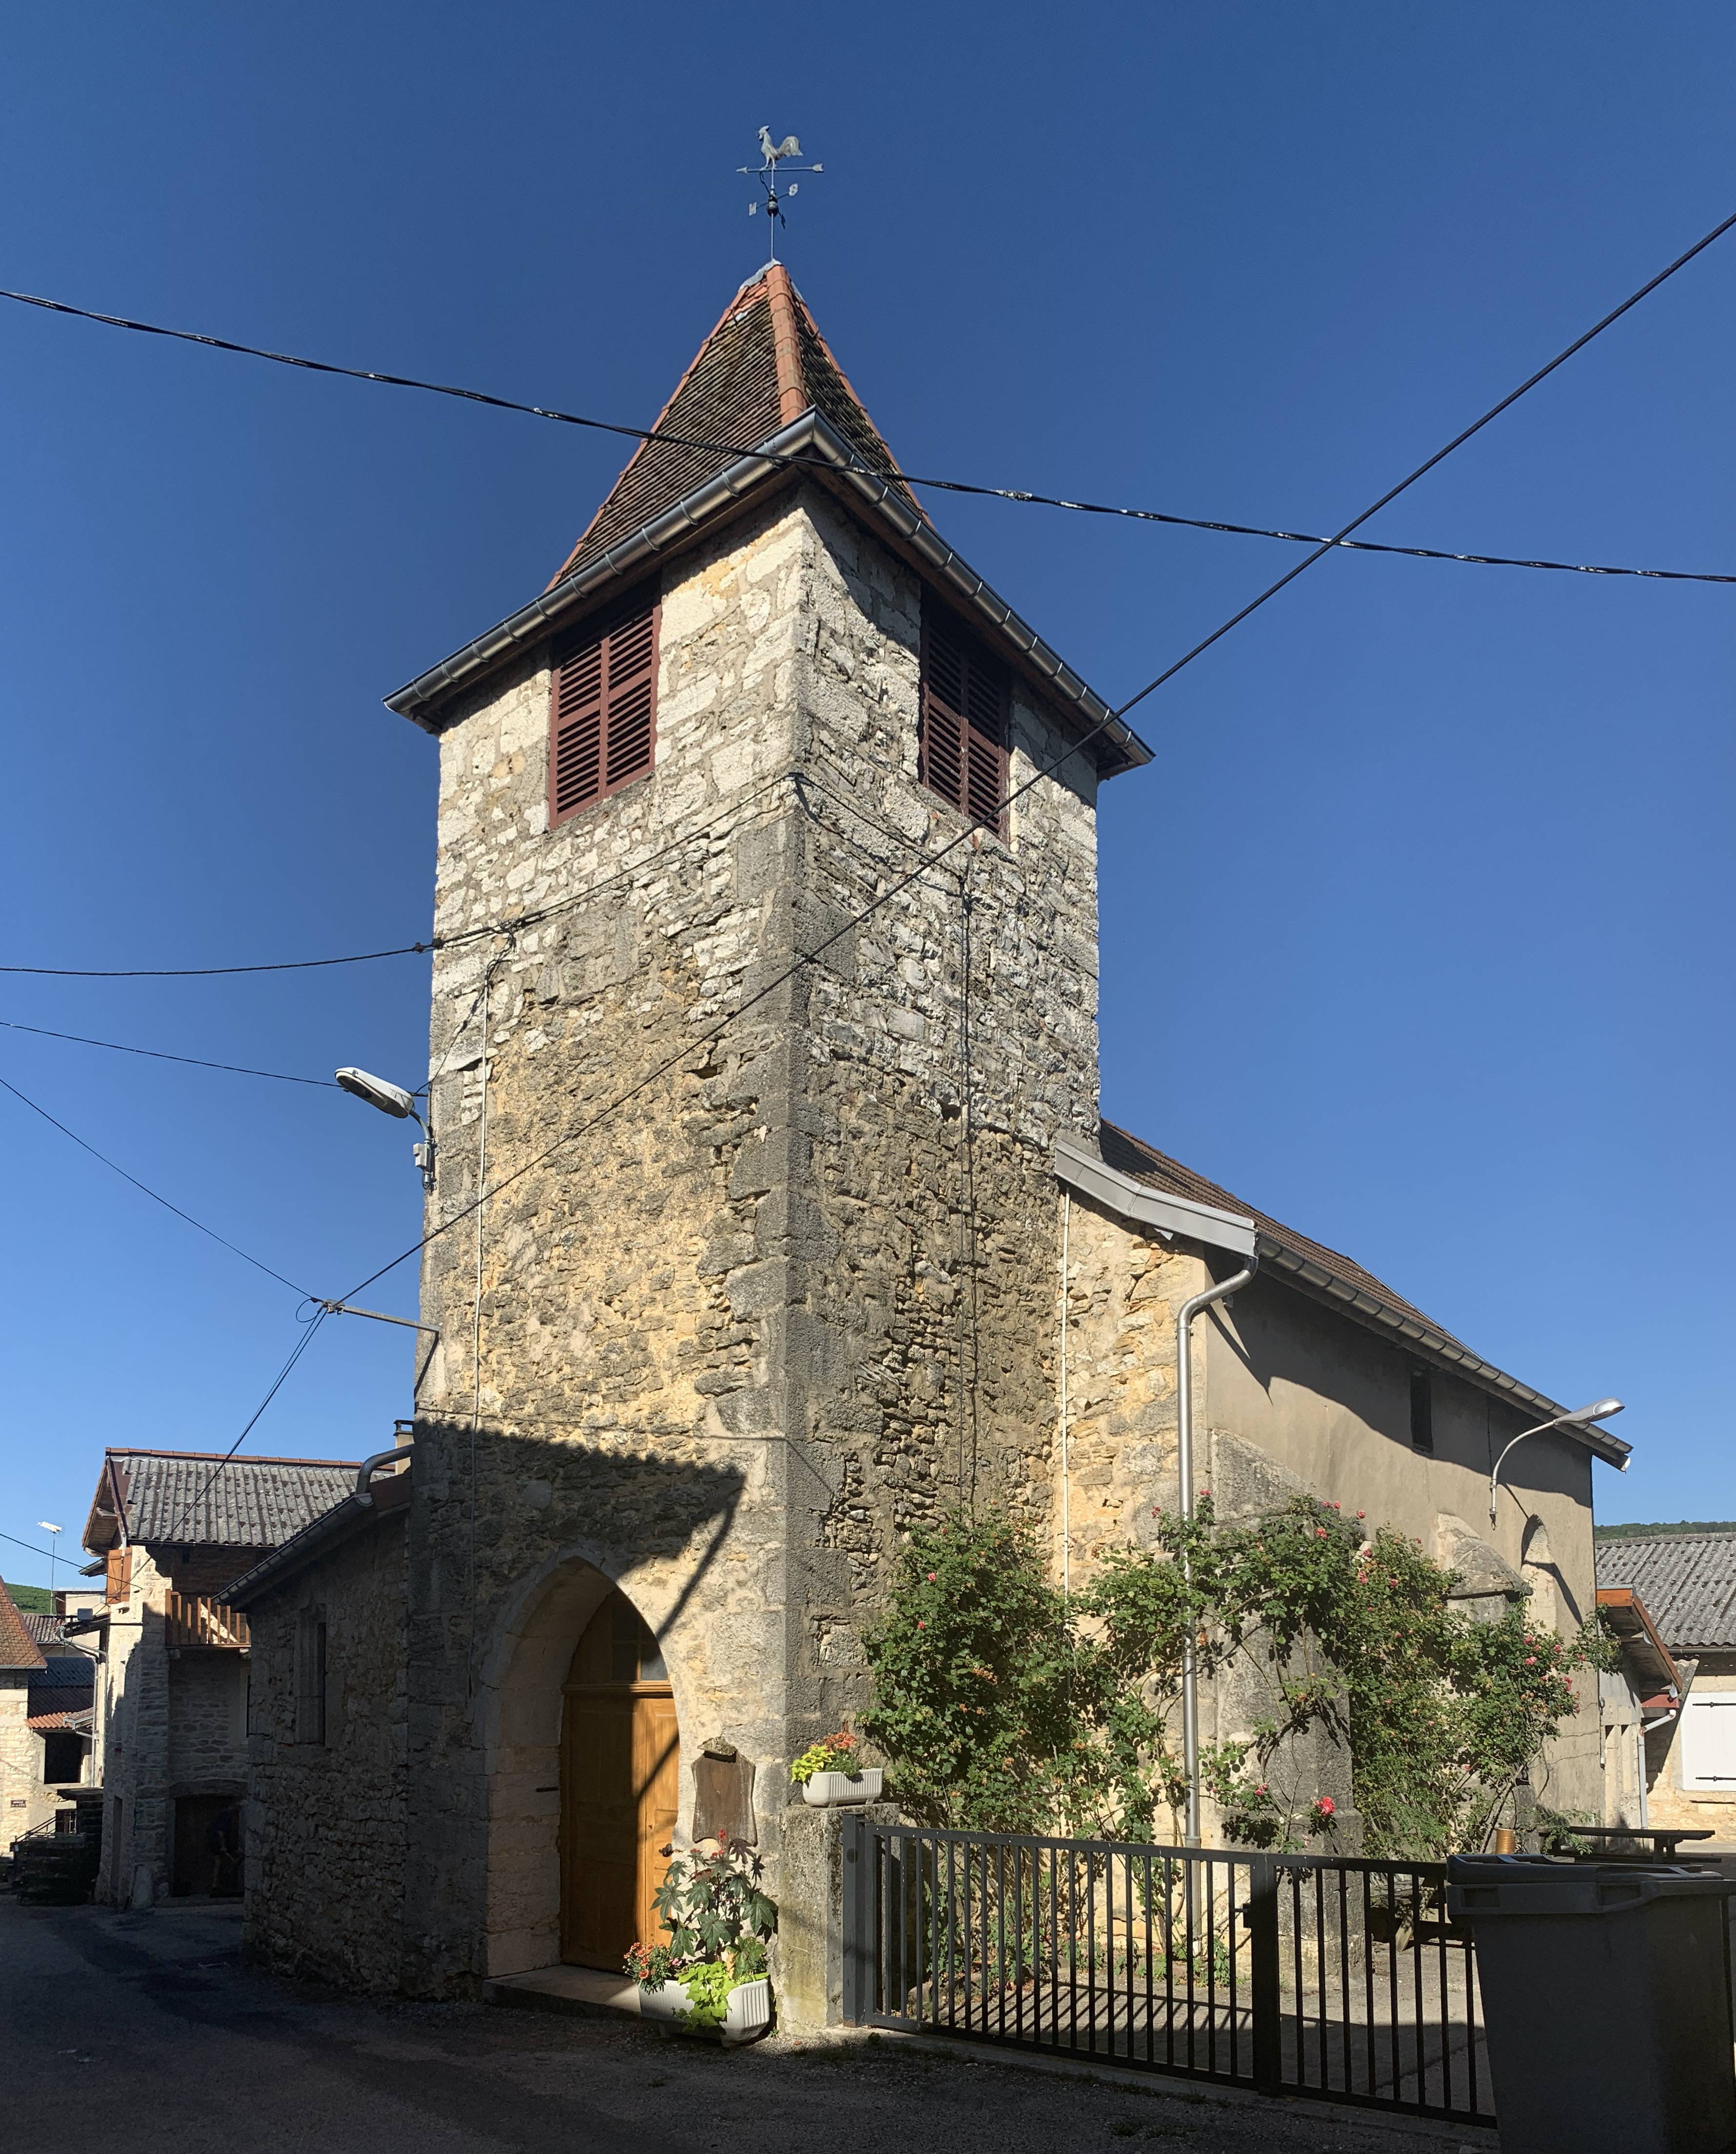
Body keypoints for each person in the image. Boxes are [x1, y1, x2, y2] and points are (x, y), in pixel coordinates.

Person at [207, 1804, 241, 1896]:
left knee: (219, 1862)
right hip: (218, 1843)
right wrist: (223, 1846)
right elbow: (220, 1831)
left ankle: (218, 1884)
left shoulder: (223, 1814)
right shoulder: (226, 1815)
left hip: (217, 1842)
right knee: (219, 1862)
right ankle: (216, 1885)